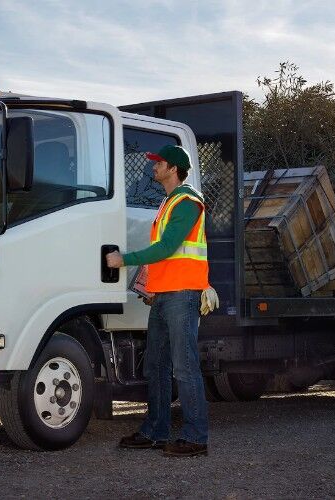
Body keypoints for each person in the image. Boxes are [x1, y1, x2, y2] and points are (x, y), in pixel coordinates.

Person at [106, 144, 211, 457]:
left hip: (182, 295)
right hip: (164, 295)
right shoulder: (169, 201)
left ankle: (196, 438)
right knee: (156, 366)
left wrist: (123, 260)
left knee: (185, 368)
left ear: (174, 168)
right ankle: (156, 430)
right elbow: (165, 257)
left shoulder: (188, 202)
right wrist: (150, 286)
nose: (153, 167)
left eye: (159, 162)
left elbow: (166, 248)